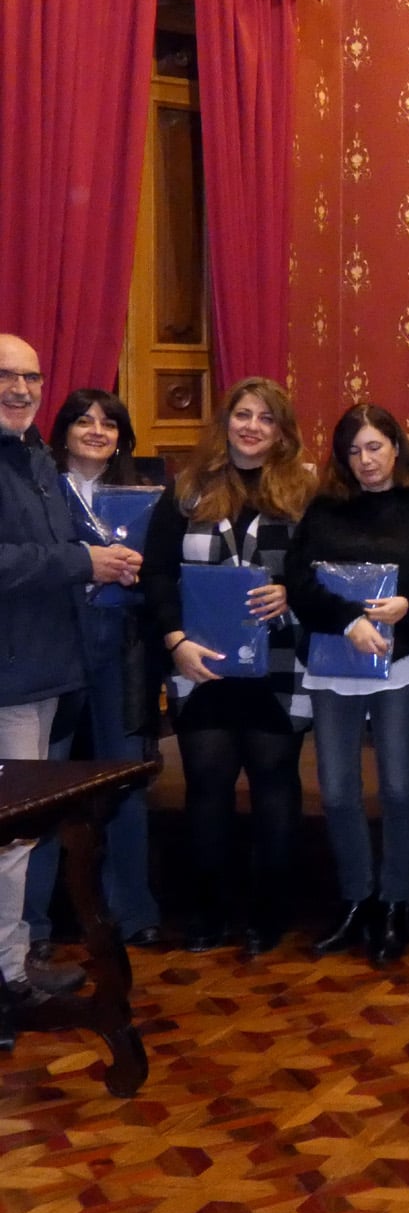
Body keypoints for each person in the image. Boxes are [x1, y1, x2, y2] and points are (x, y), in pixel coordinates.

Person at [143, 376, 316, 955]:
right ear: (226, 422)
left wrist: (291, 591)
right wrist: (174, 642)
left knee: (274, 786)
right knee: (207, 788)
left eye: (266, 419)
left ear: (281, 431)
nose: (252, 427)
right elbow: (159, 574)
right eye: (243, 415)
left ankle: (269, 917)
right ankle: (208, 913)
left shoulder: (304, 491)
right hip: (200, 664)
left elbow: (323, 569)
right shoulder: (187, 489)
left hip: (280, 662)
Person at [1, 339, 139, 1017]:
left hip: (41, 671)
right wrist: (86, 563)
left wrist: (86, 561)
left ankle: (11, 962)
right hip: (8, 675)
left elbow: (50, 551)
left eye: (32, 376)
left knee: (17, 837)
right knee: (8, 836)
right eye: (6, 375)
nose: (22, 388)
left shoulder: (33, 459)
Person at [287, 404, 409, 967]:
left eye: (374, 447)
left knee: (399, 787)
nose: (365, 461)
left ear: (397, 447)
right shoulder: (325, 510)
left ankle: (396, 903)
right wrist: (349, 619)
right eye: (353, 451)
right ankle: (356, 900)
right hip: (334, 661)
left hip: (399, 663)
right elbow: (299, 585)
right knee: (337, 791)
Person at [23, 389, 163, 969]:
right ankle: (32, 925)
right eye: (84, 420)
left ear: (123, 437)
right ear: (62, 431)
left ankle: (134, 913)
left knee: (124, 776)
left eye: (110, 423)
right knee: (42, 784)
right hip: (54, 642)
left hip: (123, 646)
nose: (97, 430)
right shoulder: (37, 487)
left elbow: (168, 574)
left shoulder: (150, 495)